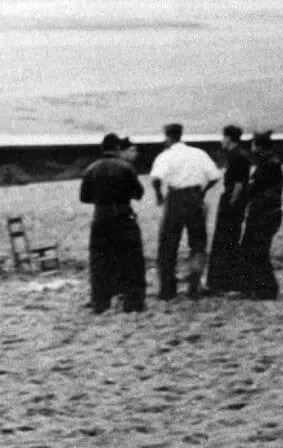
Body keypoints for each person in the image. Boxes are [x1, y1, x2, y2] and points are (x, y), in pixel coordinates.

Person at [149, 122, 222, 300]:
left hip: (175, 198)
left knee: (168, 244)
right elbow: (214, 176)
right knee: (197, 243)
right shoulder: (198, 153)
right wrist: (203, 191)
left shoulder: (166, 155)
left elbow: (156, 178)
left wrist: (159, 195)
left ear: (168, 136)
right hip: (195, 198)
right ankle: (194, 286)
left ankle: (167, 289)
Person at [79, 133, 147, 314]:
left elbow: (84, 198)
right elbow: (139, 194)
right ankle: (133, 303)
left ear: (102, 149)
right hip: (124, 216)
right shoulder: (126, 167)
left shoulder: (91, 169)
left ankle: (100, 302)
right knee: (131, 260)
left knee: (100, 261)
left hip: (100, 218)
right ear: (118, 148)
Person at [205, 124, 253, 295]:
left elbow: (239, 184)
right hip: (235, 202)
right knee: (228, 239)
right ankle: (226, 282)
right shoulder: (239, 155)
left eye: (223, 137)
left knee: (225, 240)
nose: (221, 140)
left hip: (232, 202)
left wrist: (231, 203)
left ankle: (223, 282)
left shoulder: (237, 157)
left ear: (228, 138)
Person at [240, 130, 283, 300]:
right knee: (258, 251)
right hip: (268, 213)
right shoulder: (271, 163)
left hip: (263, 214)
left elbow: (254, 189)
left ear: (259, 147)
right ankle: (262, 288)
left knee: (256, 251)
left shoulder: (267, 165)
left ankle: (265, 289)